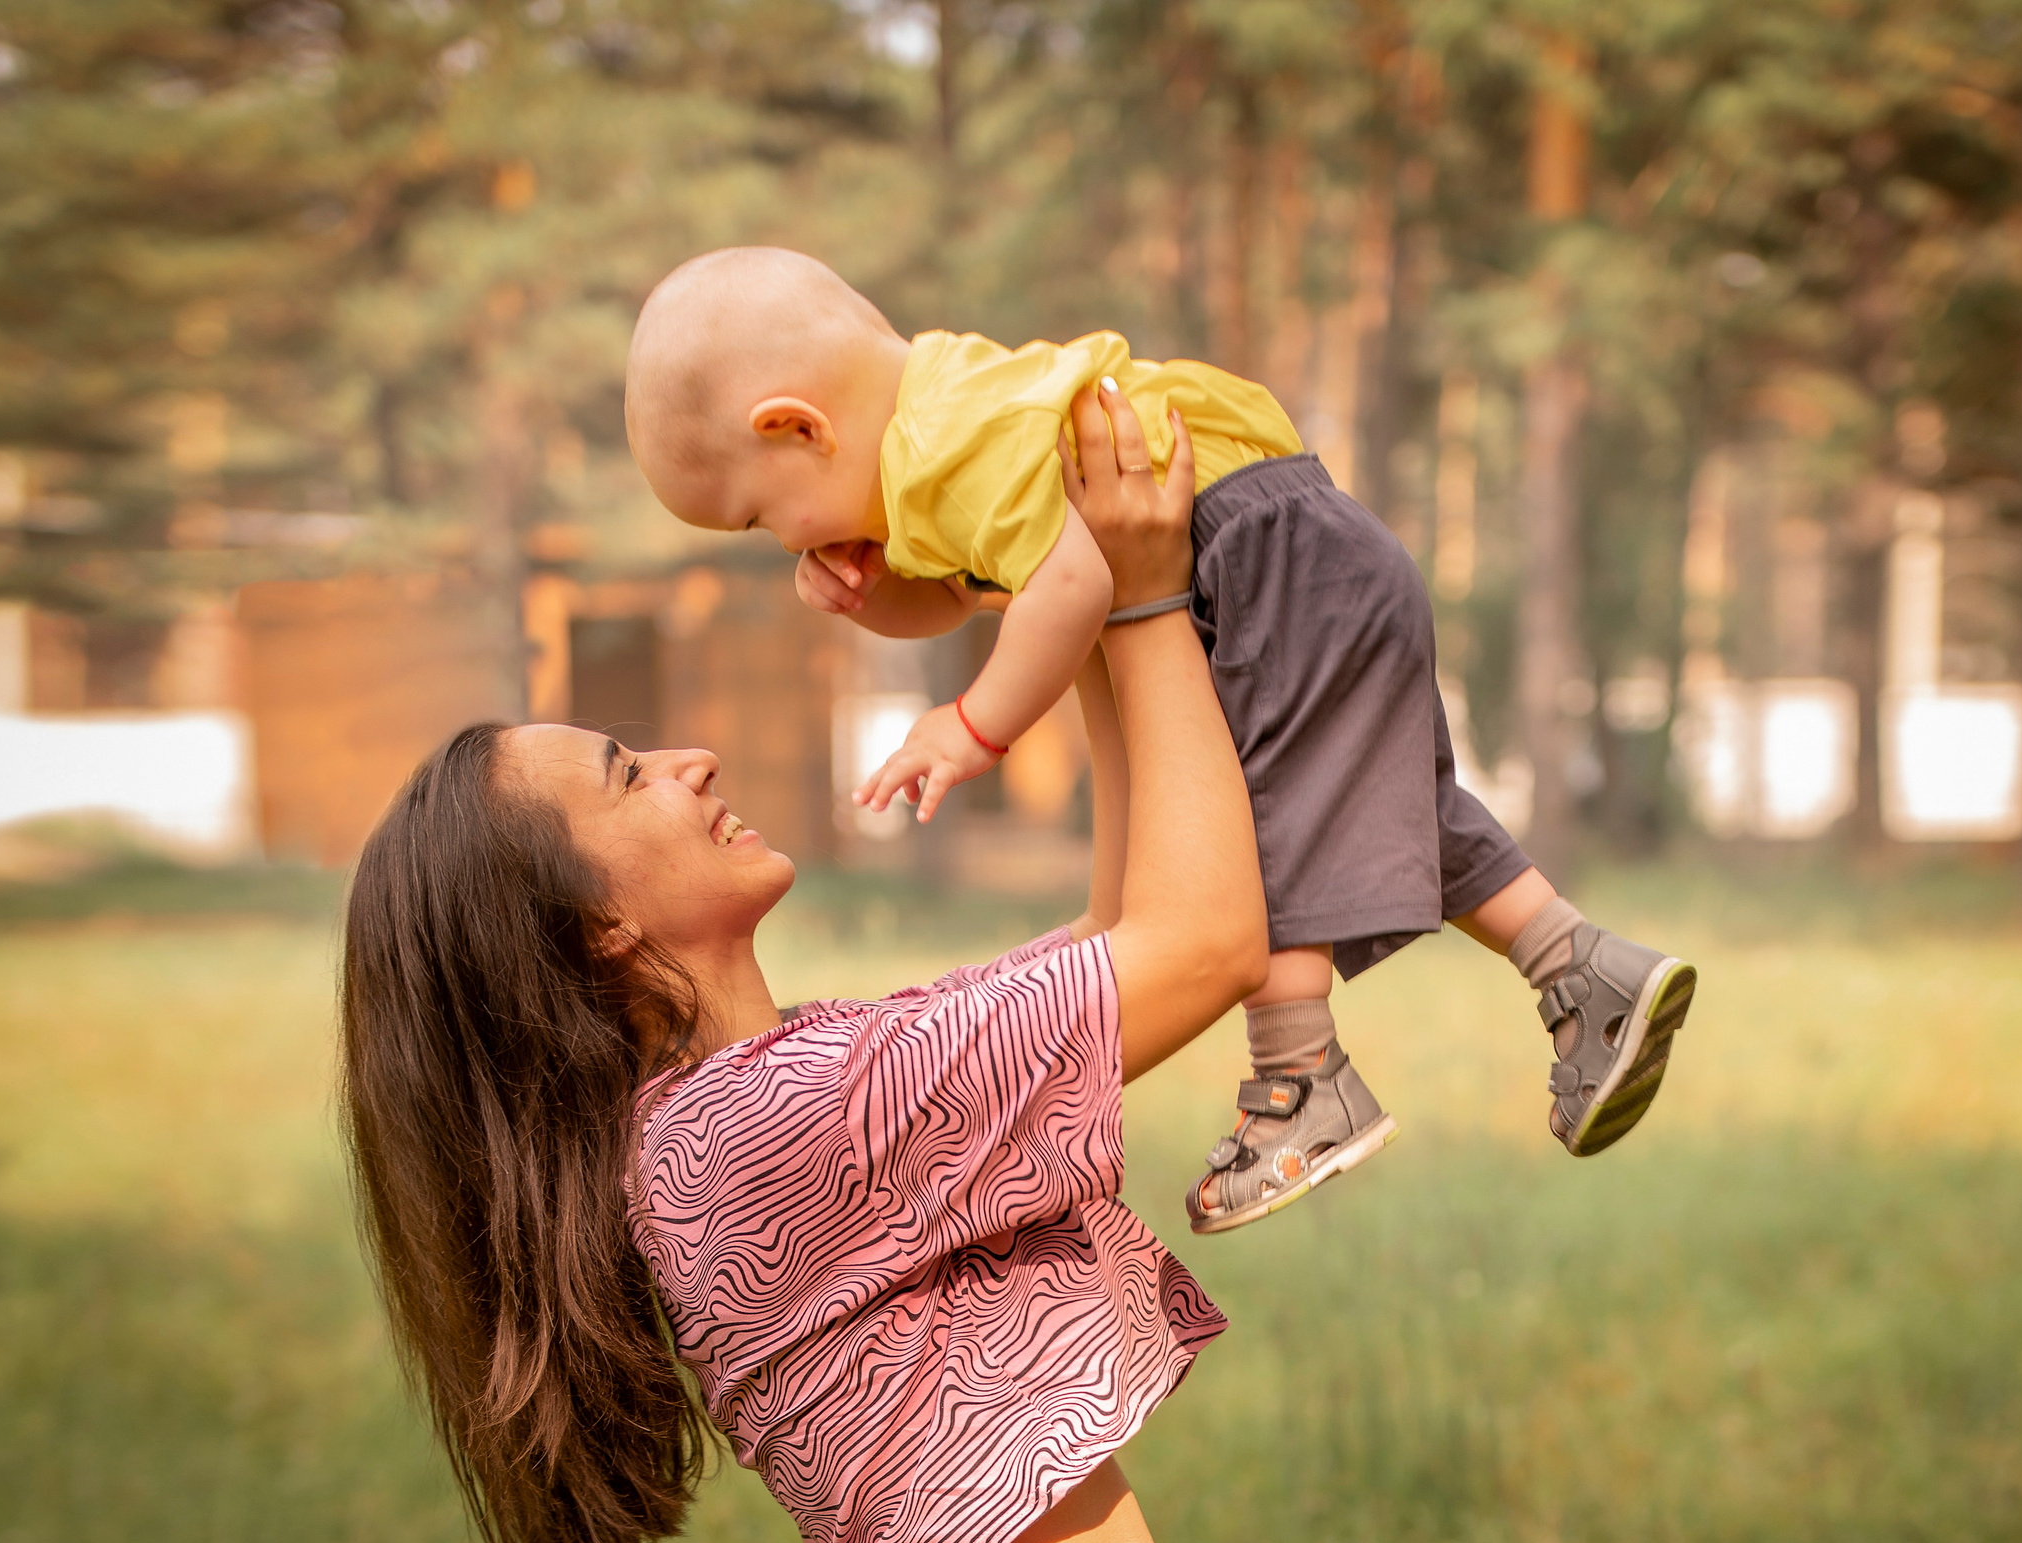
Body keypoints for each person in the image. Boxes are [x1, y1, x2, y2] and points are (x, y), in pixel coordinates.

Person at [340, 391, 1265, 1543]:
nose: (692, 761)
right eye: (626, 775)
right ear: (598, 928)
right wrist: (1152, 599)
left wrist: (1075, 589)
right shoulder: (767, 1128)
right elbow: (1207, 943)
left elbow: (1126, 929)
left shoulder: (766, 1096)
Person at [622, 246, 1698, 1236]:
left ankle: (1300, 1081)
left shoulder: (948, 444)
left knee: (1267, 812)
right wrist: (869, 599)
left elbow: (1077, 584)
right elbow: (969, 596)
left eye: (764, 521)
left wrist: (970, 724)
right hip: (1308, 542)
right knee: (1371, 799)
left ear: (796, 428)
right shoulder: (943, 422)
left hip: (1253, 554)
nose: (788, 546)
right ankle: (1577, 964)